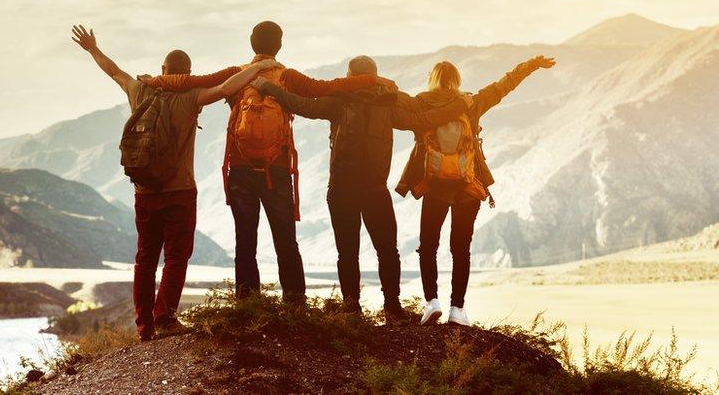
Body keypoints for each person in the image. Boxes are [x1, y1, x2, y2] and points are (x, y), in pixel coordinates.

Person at [139, 21, 380, 302]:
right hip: (276, 169)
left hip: (240, 169)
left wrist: (156, 81)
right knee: (286, 240)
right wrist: (372, 80)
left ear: (252, 43)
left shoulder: (236, 75)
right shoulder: (286, 76)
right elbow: (327, 87)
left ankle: (248, 304)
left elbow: (192, 82)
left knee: (245, 243)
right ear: (279, 45)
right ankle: (294, 302)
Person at [71, 24, 280, 341]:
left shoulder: (140, 91)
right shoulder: (191, 97)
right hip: (179, 191)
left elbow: (114, 72)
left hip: (144, 192)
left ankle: (145, 326)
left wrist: (93, 49)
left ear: (163, 70)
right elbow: (225, 89)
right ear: (188, 73)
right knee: (176, 257)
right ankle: (165, 317)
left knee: (145, 258)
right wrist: (259, 67)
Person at [254, 55, 472, 321]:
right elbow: (424, 120)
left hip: (341, 188)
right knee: (387, 251)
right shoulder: (386, 105)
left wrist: (269, 88)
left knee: (347, 252)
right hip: (375, 190)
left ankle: (351, 307)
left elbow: (301, 105)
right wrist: (459, 105)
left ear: (350, 76)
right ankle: (392, 307)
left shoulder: (338, 101)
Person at [395, 55, 556, 326]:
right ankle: (457, 309)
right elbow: (504, 86)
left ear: (432, 80)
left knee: (428, 246)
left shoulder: (420, 103)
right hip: (468, 187)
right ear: (457, 81)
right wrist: (529, 65)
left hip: (434, 186)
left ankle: (432, 301)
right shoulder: (471, 102)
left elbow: (393, 100)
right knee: (461, 248)